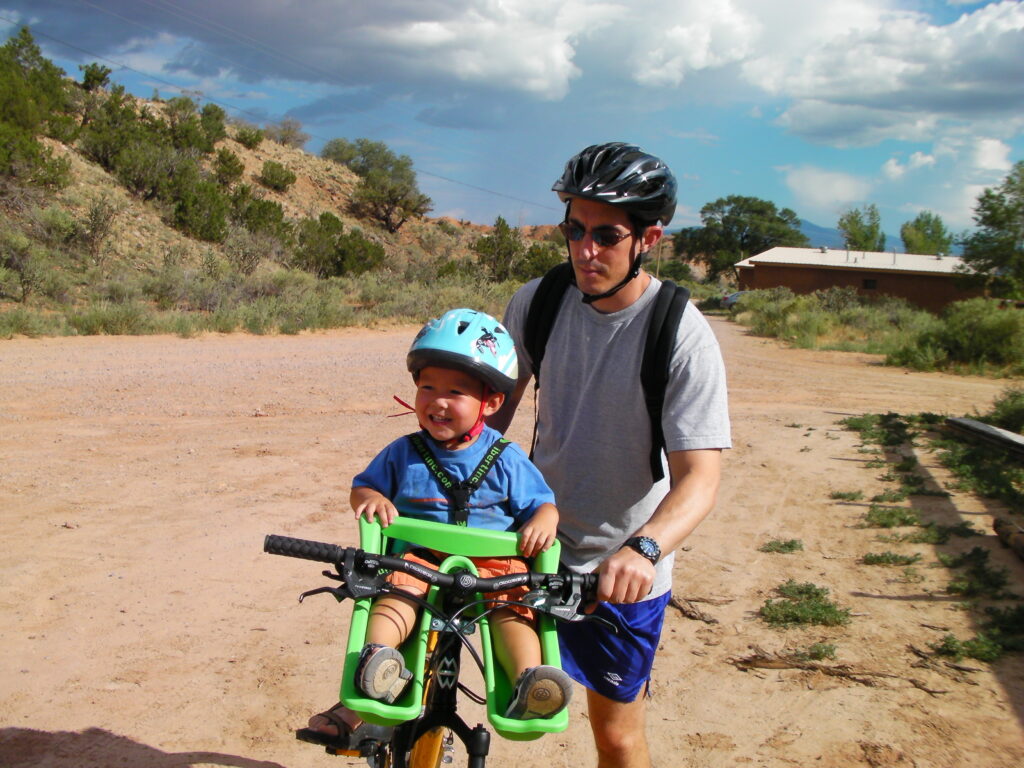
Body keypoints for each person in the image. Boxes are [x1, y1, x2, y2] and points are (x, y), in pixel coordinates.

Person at [489, 142, 731, 768]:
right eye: (574, 230)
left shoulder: (679, 331)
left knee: (616, 737)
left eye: (606, 235)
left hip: (619, 569)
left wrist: (644, 548)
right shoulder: (537, 302)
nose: (585, 251)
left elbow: (699, 480)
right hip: (530, 548)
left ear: (649, 237)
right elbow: (493, 421)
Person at [303, 308, 572, 746]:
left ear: (491, 402)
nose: (437, 401)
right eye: (427, 387)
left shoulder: (506, 458)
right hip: (419, 562)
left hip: (491, 569)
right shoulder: (402, 452)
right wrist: (370, 498)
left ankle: (530, 682)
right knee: (396, 594)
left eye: (455, 391)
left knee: (512, 609)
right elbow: (363, 488)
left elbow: (543, 505)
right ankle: (379, 666)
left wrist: (544, 519)